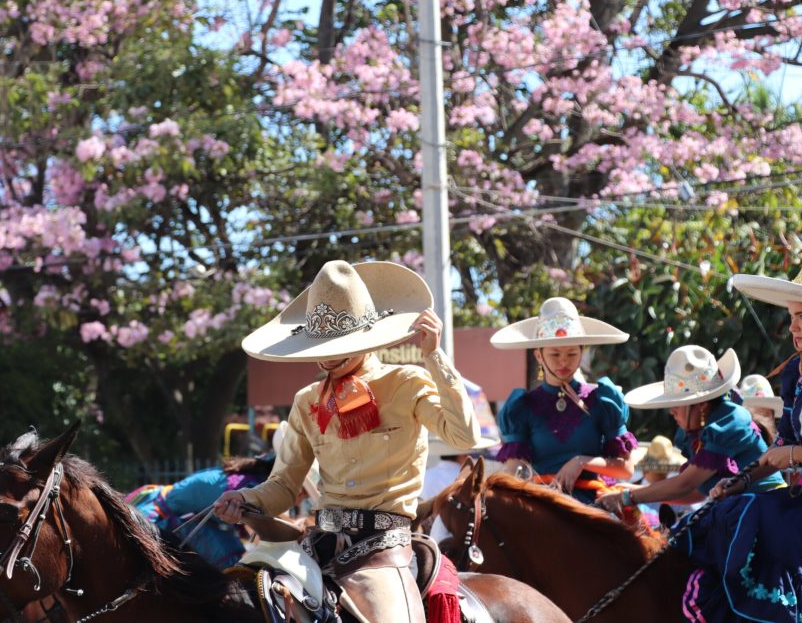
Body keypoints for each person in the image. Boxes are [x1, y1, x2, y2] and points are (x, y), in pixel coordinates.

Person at [214, 260, 482, 623]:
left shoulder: (407, 382)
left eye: (339, 343)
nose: (327, 356)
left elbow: (464, 435)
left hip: (386, 550)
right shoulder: (306, 401)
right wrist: (244, 498)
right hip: (318, 541)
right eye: (320, 344)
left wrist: (434, 356)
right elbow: (283, 485)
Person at [675, 246, 802, 622]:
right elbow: (781, 447)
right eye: (791, 316)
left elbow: (789, 453)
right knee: (731, 511)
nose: (792, 326)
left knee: (757, 523)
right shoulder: (801, 372)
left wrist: (794, 457)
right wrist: (741, 480)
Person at [595, 346, 784, 517]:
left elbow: (684, 484)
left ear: (700, 405)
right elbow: (696, 493)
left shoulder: (730, 422)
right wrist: (631, 491)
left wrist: (628, 497)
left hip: (764, 510)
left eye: (676, 404)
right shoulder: (699, 433)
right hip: (738, 509)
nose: (671, 411)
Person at [489, 297, 638, 503]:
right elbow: (514, 470)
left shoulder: (603, 401)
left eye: (571, 353)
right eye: (555, 354)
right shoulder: (522, 407)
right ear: (539, 356)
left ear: (582, 351)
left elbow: (626, 469)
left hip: (593, 503)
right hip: (542, 505)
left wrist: (581, 462)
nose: (564, 361)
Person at [127, 452, 277, 569]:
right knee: (235, 563)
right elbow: (263, 535)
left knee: (235, 550)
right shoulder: (253, 486)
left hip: (172, 509)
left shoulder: (249, 477)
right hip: (162, 518)